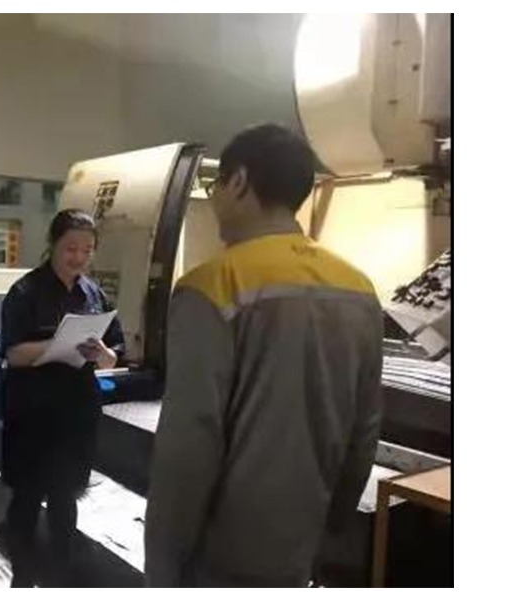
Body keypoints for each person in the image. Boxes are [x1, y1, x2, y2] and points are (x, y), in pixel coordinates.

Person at [145, 124, 383, 587]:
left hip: (221, 555)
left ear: (238, 181)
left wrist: (163, 568)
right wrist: (330, 528)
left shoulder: (211, 286)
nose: (215, 199)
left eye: (216, 186)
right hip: (302, 546)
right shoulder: (358, 288)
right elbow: (365, 428)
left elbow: (190, 443)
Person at [0, 209, 125, 587]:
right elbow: (14, 354)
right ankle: (21, 580)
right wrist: (57, 345)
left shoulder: (94, 294)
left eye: (87, 250)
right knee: (26, 500)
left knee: (65, 499)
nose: (79, 257)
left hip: (75, 414)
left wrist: (102, 353)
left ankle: (59, 578)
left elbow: (114, 356)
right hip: (33, 415)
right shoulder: (24, 293)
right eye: (71, 248)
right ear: (53, 244)